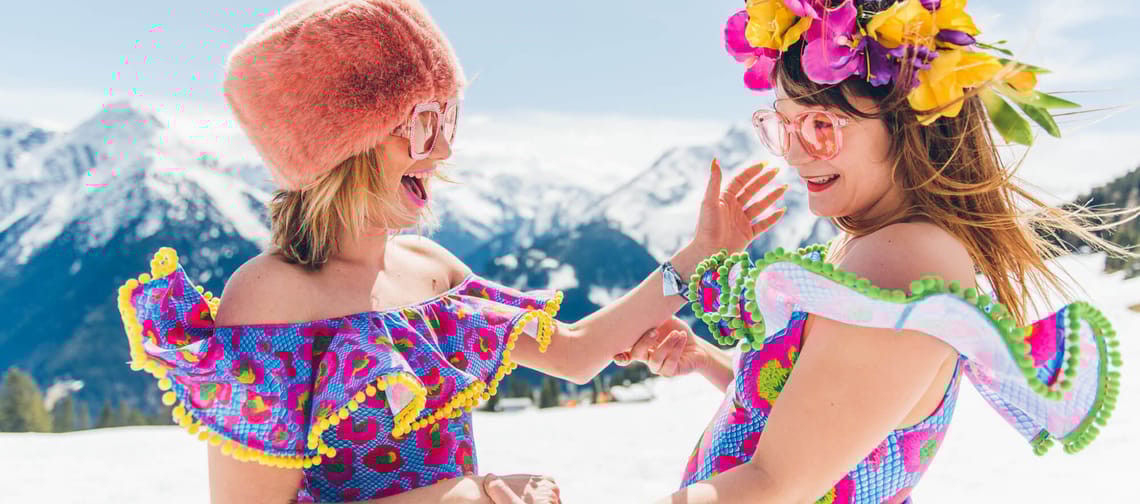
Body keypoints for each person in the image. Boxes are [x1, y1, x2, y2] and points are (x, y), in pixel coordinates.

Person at [114, 1, 786, 502]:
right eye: (419, 124)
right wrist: (464, 497)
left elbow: (578, 351)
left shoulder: (431, 269)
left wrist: (698, 256)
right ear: (337, 145)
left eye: (448, 116)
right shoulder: (270, 296)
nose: (443, 150)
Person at [608, 1, 1131, 503]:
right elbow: (825, 419)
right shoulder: (875, 245)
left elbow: (775, 485)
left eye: (821, 126)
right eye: (783, 124)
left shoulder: (900, 260)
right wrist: (712, 361)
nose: (792, 152)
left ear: (906, 126)